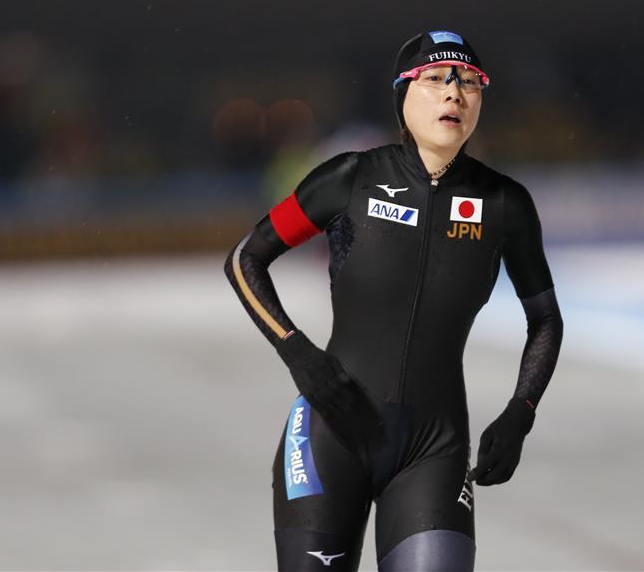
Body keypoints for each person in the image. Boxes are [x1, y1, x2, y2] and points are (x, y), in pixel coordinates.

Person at [224, 30, 563, 572]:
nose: (455, 93)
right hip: (327, 436)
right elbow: (245, 260)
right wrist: (298, 354)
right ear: (402, 96)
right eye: (436, 80)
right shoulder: (349, 179)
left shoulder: (506, 205)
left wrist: (520, 413)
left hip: (433, 452)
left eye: (470, 83)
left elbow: (544, 319)